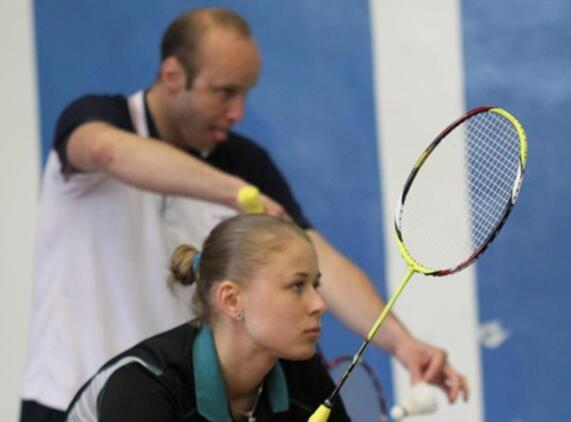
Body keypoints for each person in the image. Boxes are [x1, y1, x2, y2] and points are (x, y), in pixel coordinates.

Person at [21, 8, 468, 421]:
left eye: (245, 93)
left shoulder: (244, 160)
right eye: (224, 92)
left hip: (181, 397)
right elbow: (107, 151)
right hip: (68, 399)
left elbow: (316, 258)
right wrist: (236, 192)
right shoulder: (100, 119)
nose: (237, 112)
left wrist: (401, 343)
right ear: (173, 75)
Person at [66, 214, 350, 421]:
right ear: (231, 299)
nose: (319, 304)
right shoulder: (141, 386)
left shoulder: (300, 372)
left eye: (316, 284)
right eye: (297, 286)